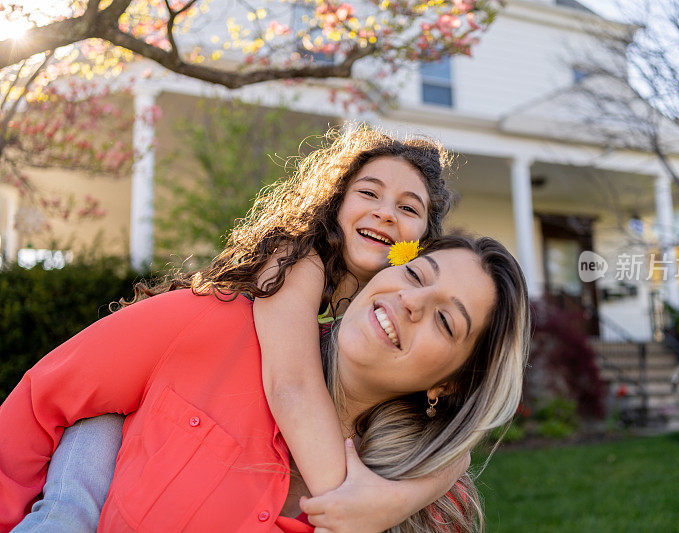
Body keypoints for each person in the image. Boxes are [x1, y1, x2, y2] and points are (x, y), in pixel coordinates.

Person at [10, 125, 460, 532]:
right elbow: (292, 384)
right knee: (69, 507)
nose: (385, 213)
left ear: (422, 242)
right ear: (336, 202)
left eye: (407, 207)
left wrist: (413, 492)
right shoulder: (298, 261)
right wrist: (364, 505)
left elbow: (462, 437)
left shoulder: (392, 326)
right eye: (369, 193)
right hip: (121, 415)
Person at [0, 235, 531, 532]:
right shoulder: (209, 324)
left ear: (455, 384)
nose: (413, 301)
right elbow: (35, 410)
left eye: (446, 321)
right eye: (416, 274)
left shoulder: (432, 515)